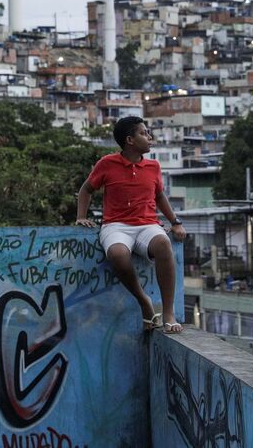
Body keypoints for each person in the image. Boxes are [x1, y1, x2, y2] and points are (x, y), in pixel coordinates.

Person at [76, 116, 186, 333]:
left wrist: (175, 222)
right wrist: (81, 216)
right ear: (130, 140)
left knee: (164, 244)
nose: (150, 137)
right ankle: (144, 300)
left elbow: (160, 196)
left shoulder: (153, 166)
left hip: (147, 224)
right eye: (144, 133)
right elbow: (86, 189)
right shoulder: (107, 164)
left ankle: (168, 313)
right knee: (117, 254)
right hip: (116, 225)